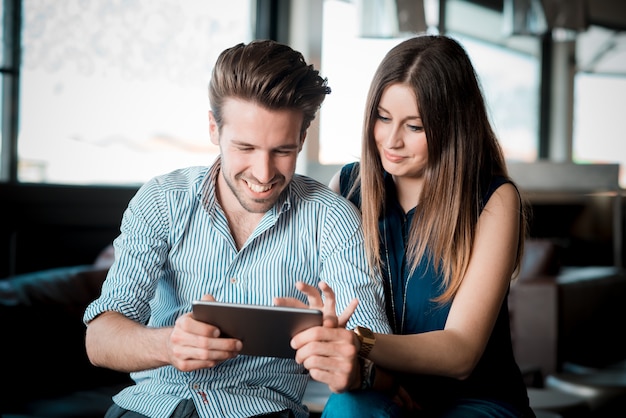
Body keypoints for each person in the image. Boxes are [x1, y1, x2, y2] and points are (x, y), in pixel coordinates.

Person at [83, 39, 391, 418]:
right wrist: (168, 345)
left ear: (302, 139)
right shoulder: (163, 200)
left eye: (282, 151)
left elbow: (379, 357)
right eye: (245, 147)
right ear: (214, 128)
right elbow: (99, 340)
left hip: (262, 411)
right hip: (149, 410)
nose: (263, 175)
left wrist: (352, 362)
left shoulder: (334, 221)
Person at [320, 34, 534, 417]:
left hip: (474, 401)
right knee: (348, 407)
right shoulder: (347, 188)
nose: (391, 140)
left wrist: (359, 343)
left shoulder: (494, 201)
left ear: (453, 126)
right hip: (382, 387)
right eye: (382, 118)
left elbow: (461, 353)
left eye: (414, 127)